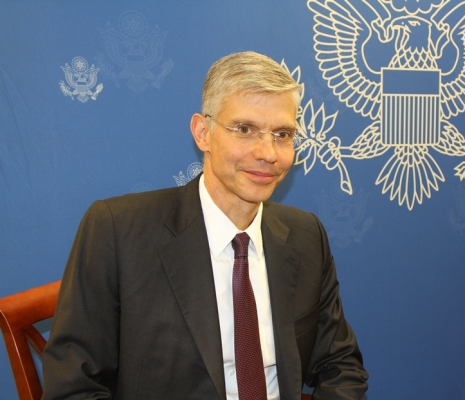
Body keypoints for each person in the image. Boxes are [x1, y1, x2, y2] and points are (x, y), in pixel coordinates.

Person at [42, 51, 368, 400]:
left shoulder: (306, 235)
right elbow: (73, 387)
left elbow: (340, 366)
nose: (268, 153)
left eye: (283, 133)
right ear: (203, 132)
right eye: (245, 129)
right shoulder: (117, 231)